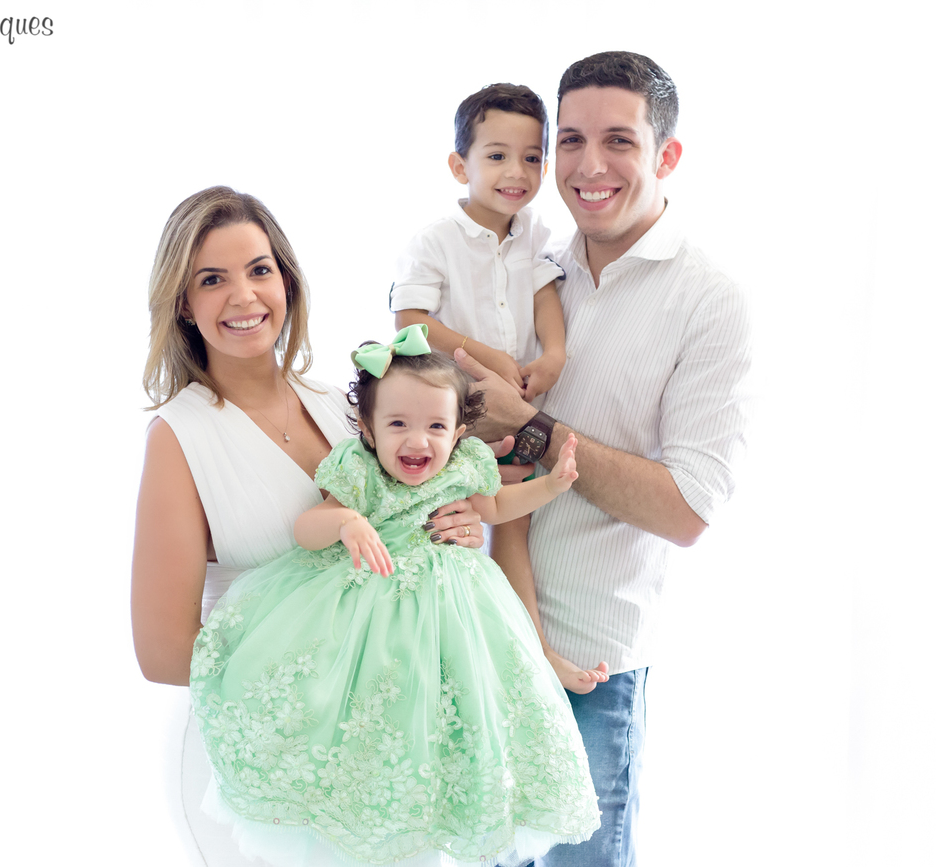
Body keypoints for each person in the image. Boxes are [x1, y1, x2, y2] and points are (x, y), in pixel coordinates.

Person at [454, 52, 754, 867]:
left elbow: (687, 509)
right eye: (572, 140)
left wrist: (534, 427)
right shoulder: (530, 267)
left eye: (619, 140)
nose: (589, 167)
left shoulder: (708, 301)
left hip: (590, 666)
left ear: (667, 154)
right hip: (477, 640)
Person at [130, 187, 487, 867]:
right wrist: (322, 690)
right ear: (183, 303)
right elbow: (161, 651)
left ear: (287, 281)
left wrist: (456, 528)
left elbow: (404, 541)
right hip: (263, 759)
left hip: (379, 754)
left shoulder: (345, 408)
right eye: (212, 279)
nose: (243, 296)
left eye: (259, 270)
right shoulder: (182, 435)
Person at [189, 324, 600, 867]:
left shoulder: (464, 468)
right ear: (367, 427)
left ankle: (441, 809)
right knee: (375, 712)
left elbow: (498, 507)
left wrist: (551, 485)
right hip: (371, 608)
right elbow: (306, 529)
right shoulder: (360, 472)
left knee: (462, 706)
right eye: (398, 424)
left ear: (458, 433)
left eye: (436, 426)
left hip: (456, 611)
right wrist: (346, 522)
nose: (417, 441)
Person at [390, 83, 606, 694]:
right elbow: (409, 325)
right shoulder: (435, 240)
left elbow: (544, 298)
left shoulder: (534, 233)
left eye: (532, 157)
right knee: (443, 530)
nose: (517, 172)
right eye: (497, 156)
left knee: (513, 520)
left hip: (511, 415)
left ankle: (533, 651)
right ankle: (443, 664)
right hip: (447, 418)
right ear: (460, 165)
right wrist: (486, 356)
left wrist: (555, 354)